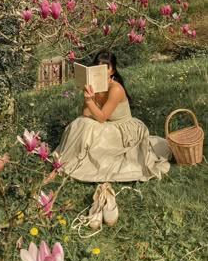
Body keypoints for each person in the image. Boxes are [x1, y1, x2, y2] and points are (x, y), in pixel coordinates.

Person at [54, 50, 172, 182]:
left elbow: (101, 117)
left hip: (123, 129)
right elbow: (86, 114)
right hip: (108, 125)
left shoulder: (116, 89)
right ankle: (67, 161)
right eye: (98, 66)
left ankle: (79, 164)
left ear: (113, 70)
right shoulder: (95, 85)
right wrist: (89, 98)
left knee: (87, 126)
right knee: (81, 122)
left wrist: (89, 101)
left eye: (106, 67)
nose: (101, 69)